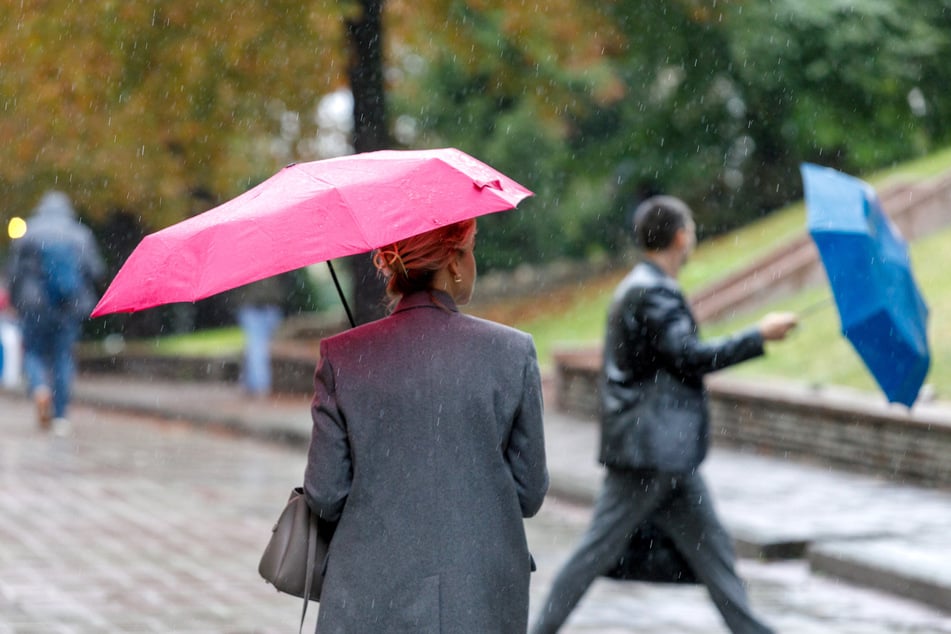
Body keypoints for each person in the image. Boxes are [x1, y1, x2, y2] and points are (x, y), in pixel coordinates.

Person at [530, 196, 798, 634]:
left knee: (715, 557)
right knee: (594, 554)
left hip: (664, 450)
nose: (692, 237)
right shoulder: (652, 290)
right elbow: (689, 355)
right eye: (690, 229)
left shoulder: (644, 285)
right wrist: (758, 335)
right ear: (679, 236)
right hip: (649, 451)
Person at [302, 219, 549, 633]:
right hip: (479, 595)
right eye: (470, 250)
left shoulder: (342, 357)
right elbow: (529, 493)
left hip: (369, 596)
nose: (473, 262)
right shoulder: (511, 352)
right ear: (453, 262)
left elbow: (325, 496)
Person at [6, 191, 105, 433]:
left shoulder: (27, 231)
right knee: (62, 356)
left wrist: (17, 301)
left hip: (34, 306)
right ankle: (60, 416)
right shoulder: (80, 234)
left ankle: (39, 387)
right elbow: (96, 271)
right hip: (67, 306)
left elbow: (13, 274)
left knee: (33, 352)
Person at [232, 275, 288, 398]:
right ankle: (261, 387)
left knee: (256, 348)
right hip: (253, 307)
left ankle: (250, 383)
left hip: (271, 306)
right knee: (258, 349)